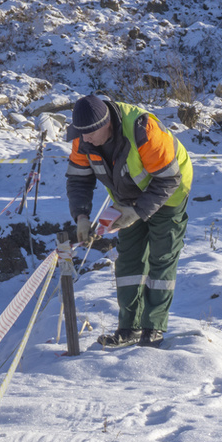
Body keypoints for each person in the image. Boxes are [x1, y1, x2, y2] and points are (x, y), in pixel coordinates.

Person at [66, 93, 193, 348]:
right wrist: (81, 216)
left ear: (106, 124)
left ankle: (153, 328)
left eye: (90, 133)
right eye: (81, 134)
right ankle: (129, 328)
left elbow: (168, 180)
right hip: (127, 198)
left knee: (161, 257)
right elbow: (79, 179)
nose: (85, 139)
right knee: (128, 260)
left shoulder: (142, 129)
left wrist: (138, 212)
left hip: (169, 194)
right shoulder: (83, 136)